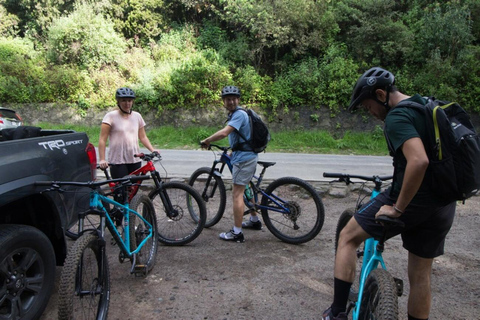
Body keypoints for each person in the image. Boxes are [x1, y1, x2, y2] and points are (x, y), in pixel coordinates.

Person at [322, 67, 456, 320]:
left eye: (367, 105)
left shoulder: (396, 117)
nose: (369, 112)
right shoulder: (425, 105)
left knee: (348, 237)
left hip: (413, 201)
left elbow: (418, 161)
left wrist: (398, 208)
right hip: (443, 202)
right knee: (420, 275)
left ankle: (337, 311)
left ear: (381, 94)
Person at [200, 85, 260, 242]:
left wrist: (207, 140)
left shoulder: (239, 115)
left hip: (244, 159)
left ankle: (237, 233)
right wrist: (233, 150)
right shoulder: (238, 114)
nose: (231, 101)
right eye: (228, 99)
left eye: (234, 99)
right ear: (224, 102)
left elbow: (224, 132)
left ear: (238, 100)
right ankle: (254, 220)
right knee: (246, 187)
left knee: (237, 193)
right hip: (245, 154)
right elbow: (241, 135)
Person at [98, 87, 159, 179]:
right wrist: (102, 159)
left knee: (133, 189)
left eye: (129, 100)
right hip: (117, 161)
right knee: (121, 191)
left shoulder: (137, 116)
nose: (127, 103)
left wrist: (152, 150)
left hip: (134, 159)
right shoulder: (110, 116)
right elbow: (102, 139)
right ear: (118, 102)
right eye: (124, 100)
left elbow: (143, 137)